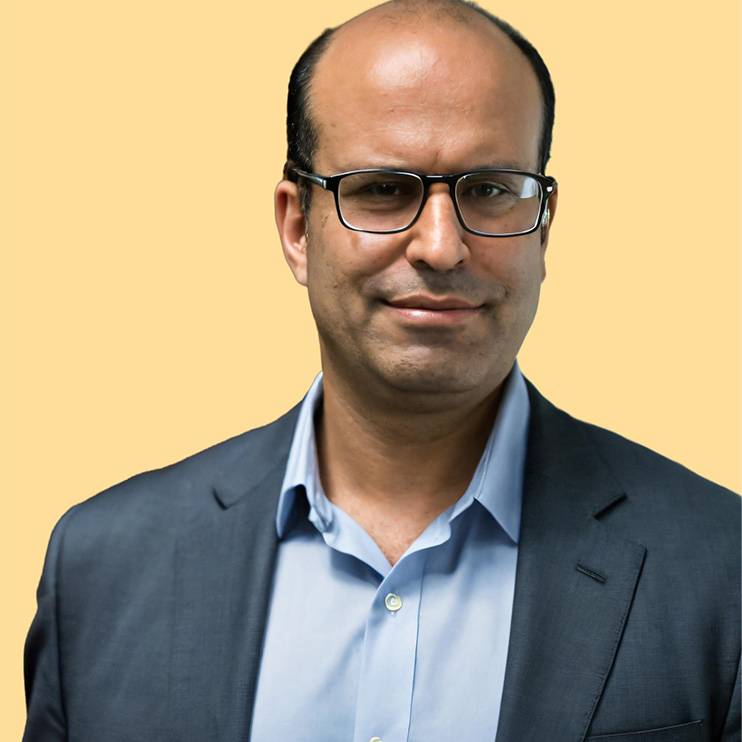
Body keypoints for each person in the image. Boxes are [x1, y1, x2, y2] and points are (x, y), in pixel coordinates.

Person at [23, 1, 740, 740]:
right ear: (297, 227)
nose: (441, 247)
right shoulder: (101, 568)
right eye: (382, 189)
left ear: (544, 228)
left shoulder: (724, 568)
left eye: (491, 190)